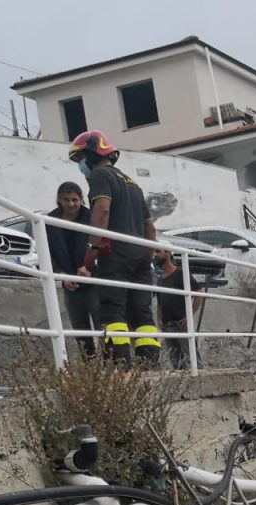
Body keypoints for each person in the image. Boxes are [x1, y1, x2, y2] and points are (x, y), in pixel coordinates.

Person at [68, 130, 159, 367]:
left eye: (80, 160)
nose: (81, 166)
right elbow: (150, 227)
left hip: (115, 254)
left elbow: (102, 210)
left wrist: (92, 250)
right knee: (142, 314)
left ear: (90, 155)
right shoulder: (132, 184)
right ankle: (148, 366)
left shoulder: (100, 175)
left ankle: (121, 368)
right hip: (140, 254)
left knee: (113, 311)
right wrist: (145, 257)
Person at [45, 181, 100, 358]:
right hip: (70, 284)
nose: (71, 204)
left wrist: (89, 265)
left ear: (82, 199)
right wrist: (62, 276)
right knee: (80, 331)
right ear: (59, 200)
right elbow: (47, 254)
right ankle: (90, 368)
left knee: (103, 327)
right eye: (66, 200)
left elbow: (101, 244)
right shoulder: (49, 221)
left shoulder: (91, 217)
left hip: (94, 281)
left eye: (75, 200)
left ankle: (111, 367)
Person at [153, 247, 203, 370]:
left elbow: (199, 292)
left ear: (168, 252)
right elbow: (160, 302)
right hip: (167, 326)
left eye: (158, 251)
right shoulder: (160, 280)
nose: (155, 255)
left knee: (192, 361)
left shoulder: (180, 274)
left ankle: (199, 382)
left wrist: (189, 316)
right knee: (176, 362)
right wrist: (159, 319)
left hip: (181, 324)